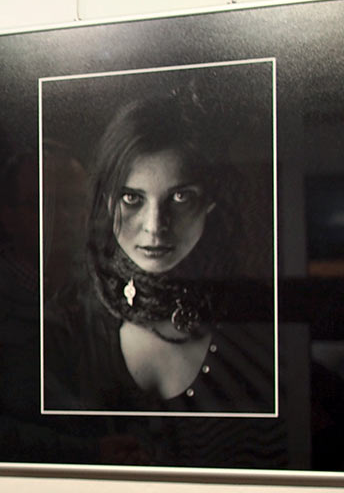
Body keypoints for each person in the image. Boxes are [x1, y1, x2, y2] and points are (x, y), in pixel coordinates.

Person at [44, 84, 277, 418]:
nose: (155, 226)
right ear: (107, 201)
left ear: (209, 200)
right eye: (132, 198)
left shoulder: (258, 314)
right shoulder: (65, 324)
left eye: (180, 197)